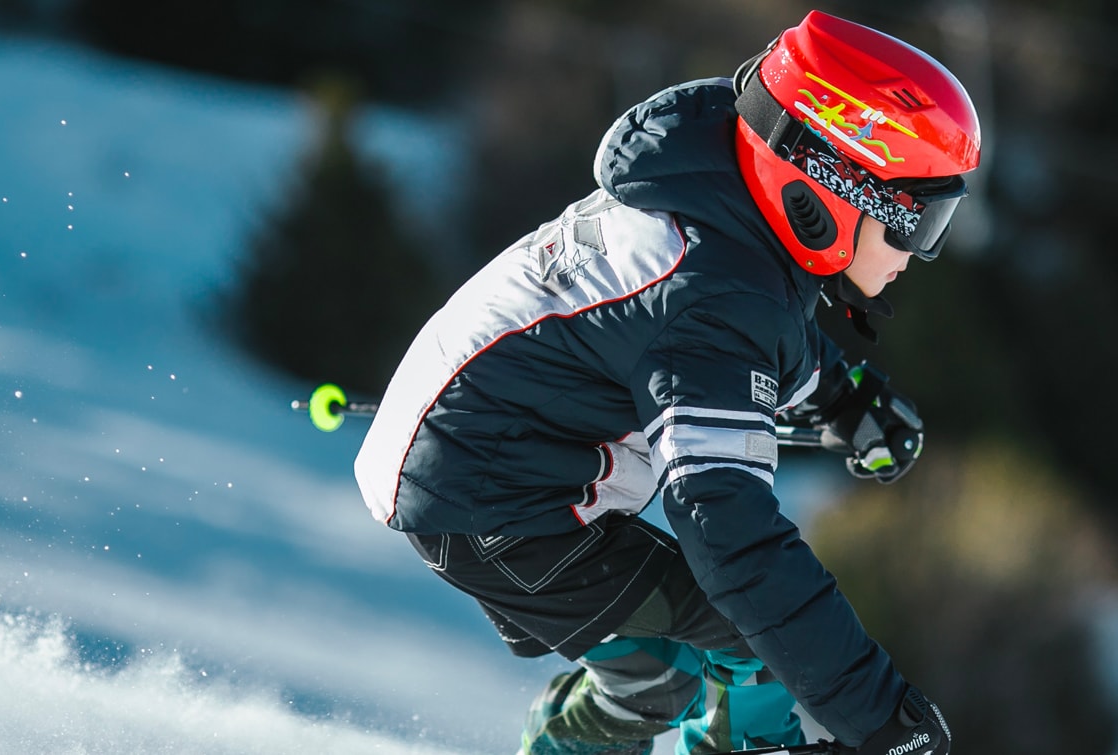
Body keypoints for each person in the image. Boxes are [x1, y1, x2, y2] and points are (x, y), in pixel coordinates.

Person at [354, 10, 978, 754]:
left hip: (480, 455)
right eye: (917, 222)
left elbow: (751, 331)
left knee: (661, 675)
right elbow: (733, 539)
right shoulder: (713, 298)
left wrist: (843, 396)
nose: (920, 253)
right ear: (834, 187)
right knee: (755, 650)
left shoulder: (718, 193)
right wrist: (879, 719)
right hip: (489, 494)